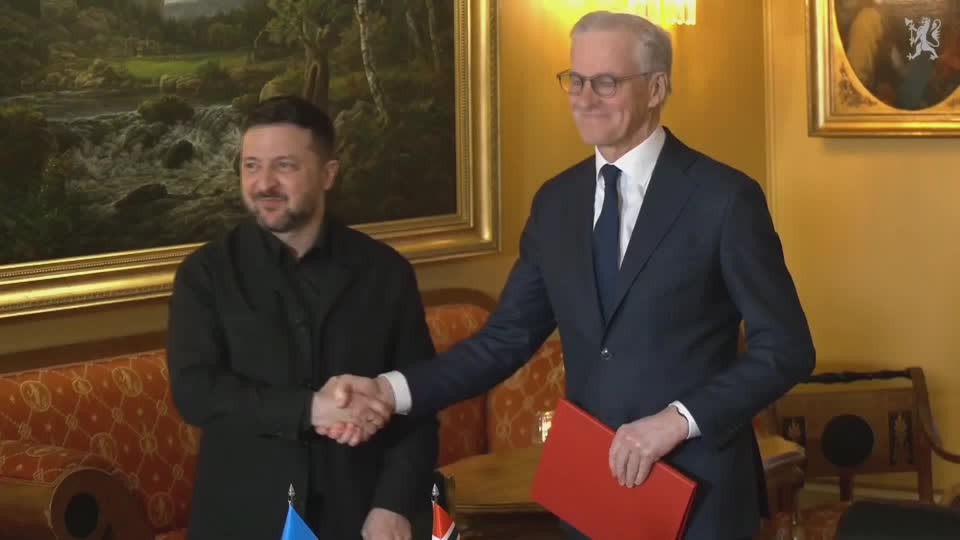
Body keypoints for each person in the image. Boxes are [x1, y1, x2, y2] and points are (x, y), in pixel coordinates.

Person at [326, 10, 815, 540]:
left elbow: (786, 349)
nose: (584, 98)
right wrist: (389, 390)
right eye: (575, 80)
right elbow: (503, 340)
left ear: (656, 88)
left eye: (606, 82)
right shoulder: (556, 203)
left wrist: (675, 420)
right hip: (591, 491)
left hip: (700, 497)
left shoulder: (724, 199)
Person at [165, 95, 437, 540]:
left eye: (284, 166)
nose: (263, 183)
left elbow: (419, 401)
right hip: (243, 520)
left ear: (328, 174)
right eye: (251, 166)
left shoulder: (386, 272)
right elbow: (195, 392)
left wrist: (393, 505)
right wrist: (311, 409)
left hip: (363, 516)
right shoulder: (205, 274)